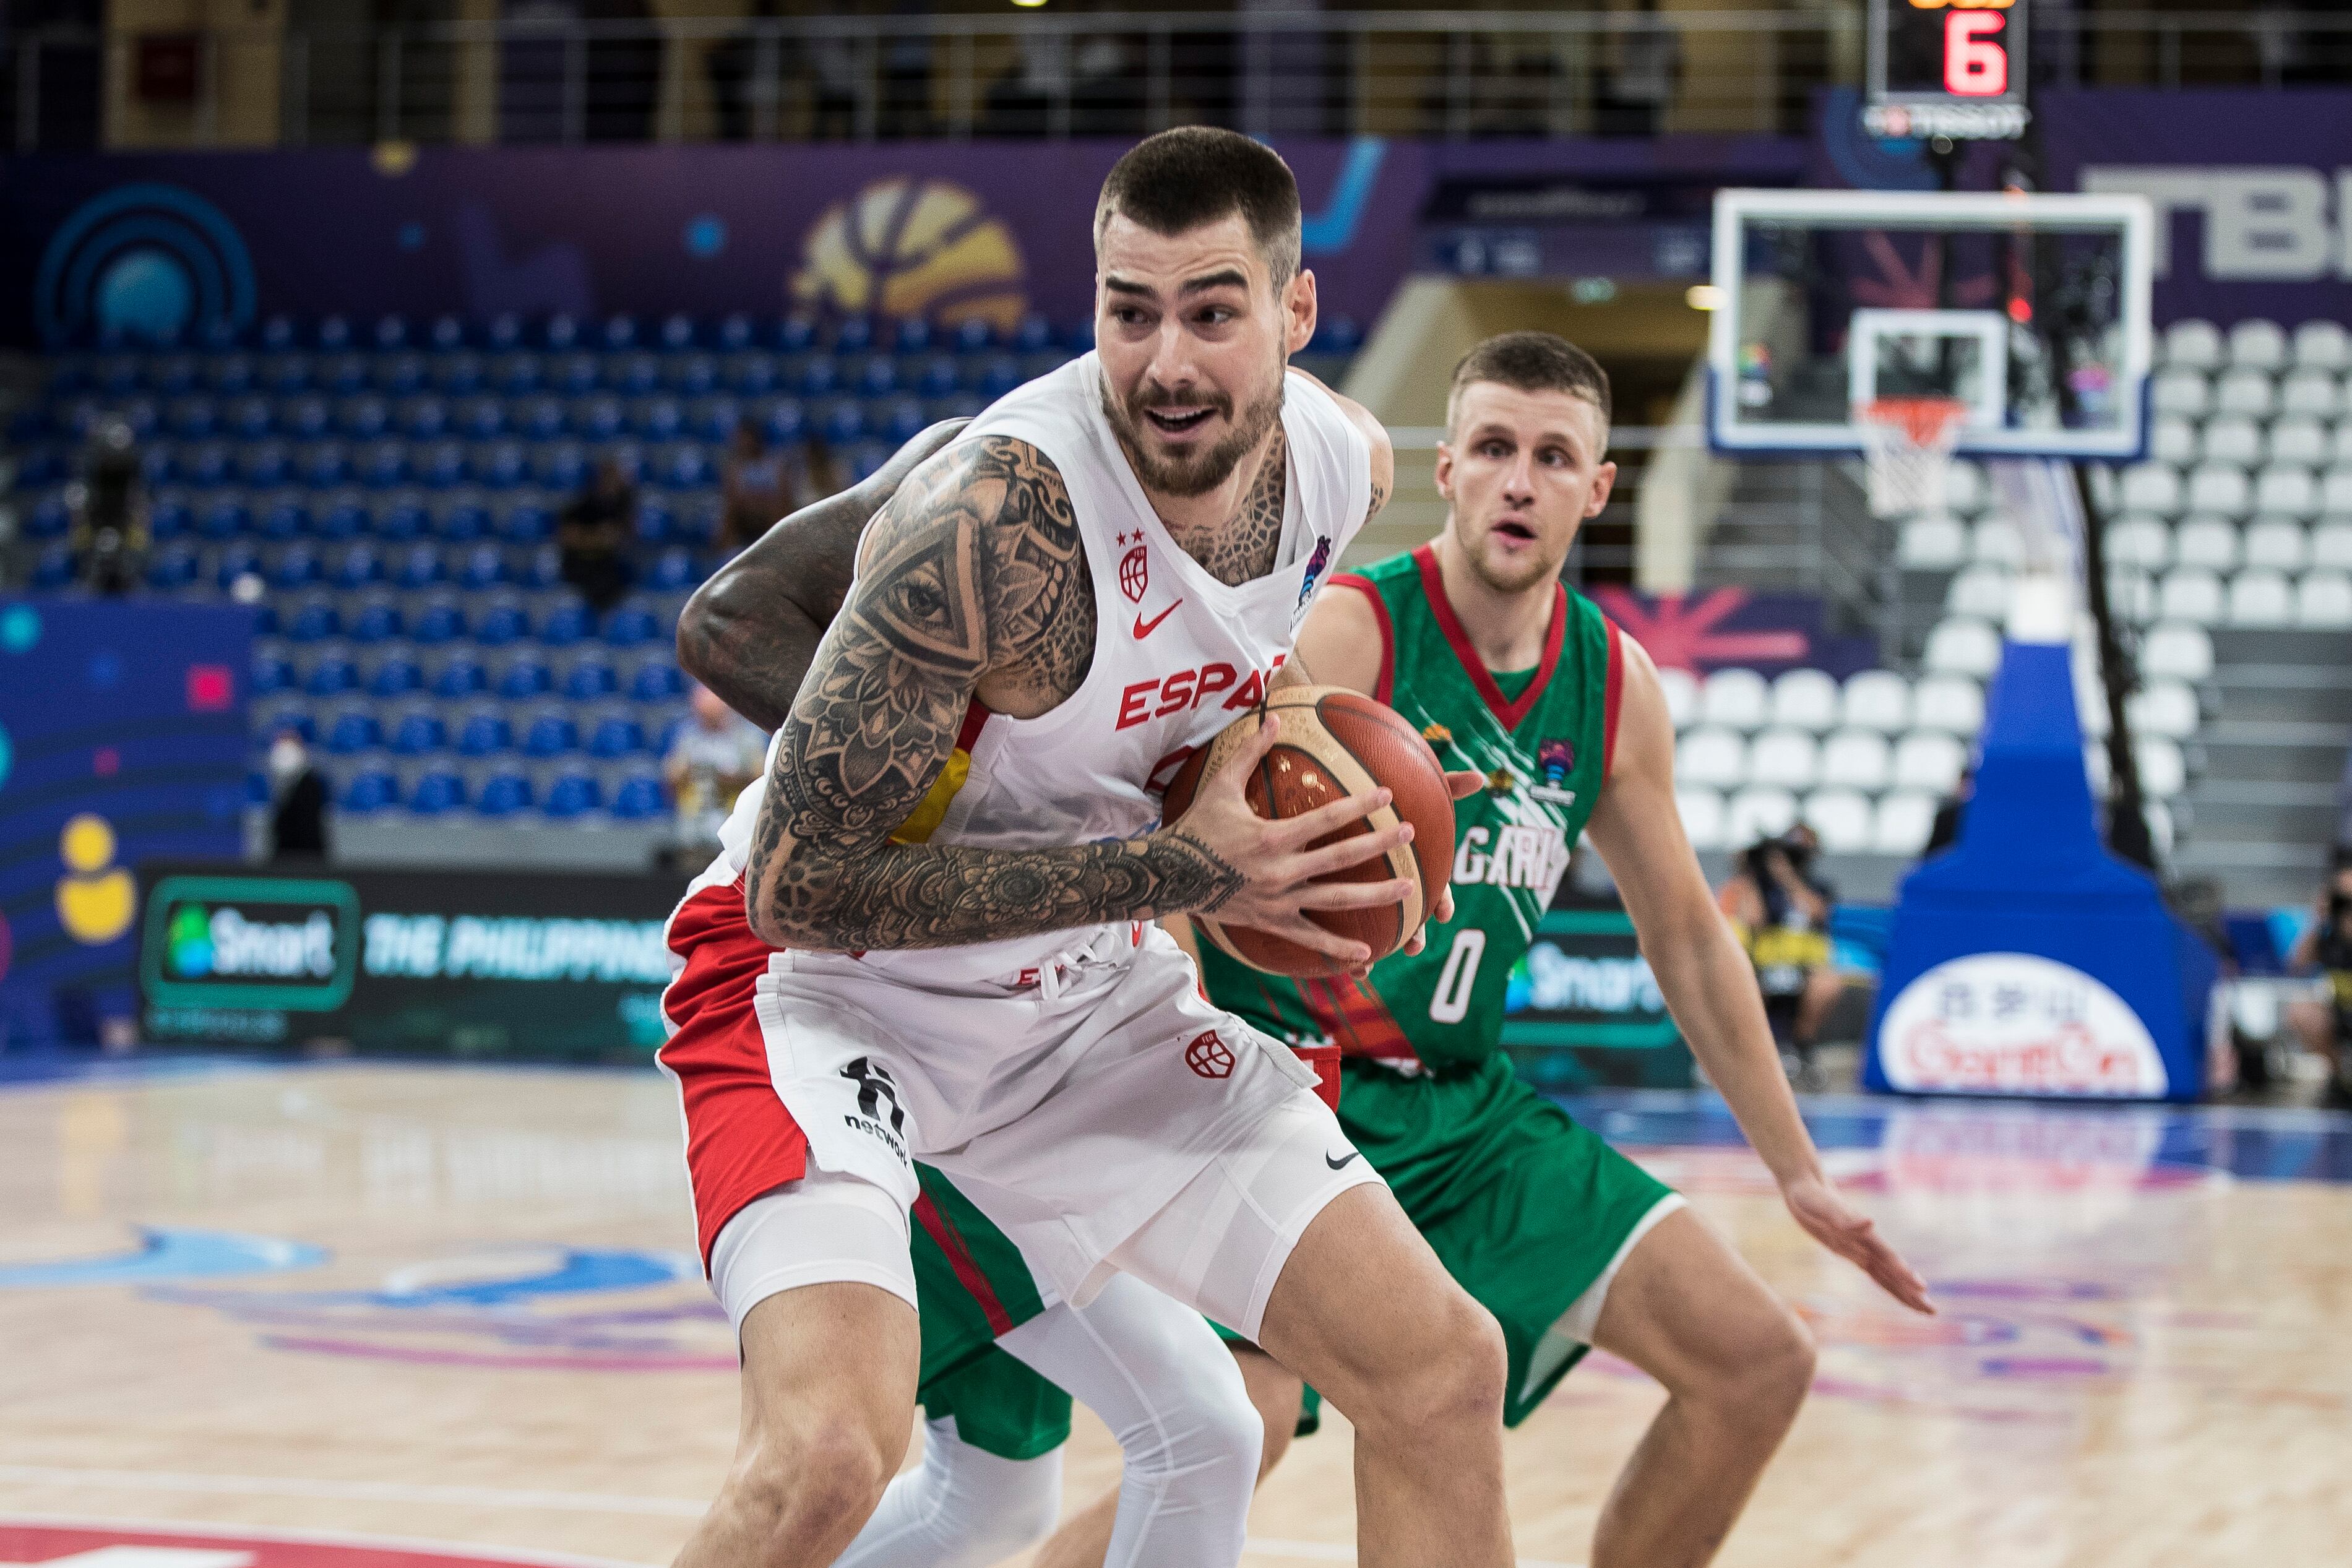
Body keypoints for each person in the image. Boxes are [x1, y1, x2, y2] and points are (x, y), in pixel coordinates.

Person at [681, 331, 1932, 1568]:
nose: (1517, 480)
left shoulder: (1590, 673)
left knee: (1730, 1361)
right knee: (1133, 1445)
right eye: (1492, 446)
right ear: (1450, 468)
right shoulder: (1288, 606)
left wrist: (1796, 1168)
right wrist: (1003, 803)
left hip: (1461, 1105)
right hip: (1236, 1044)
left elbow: (1688, 936)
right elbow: (1169, 849)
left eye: (1552, 456)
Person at [660, 127, 1514, 1568]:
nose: (1168, 364)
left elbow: (1239, 683)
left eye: (1213, 311)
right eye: (1131, 311)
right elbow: (799, 887)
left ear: (1295, 315)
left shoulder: (1342, 469)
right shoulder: (1001, 525)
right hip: (825, 989)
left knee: (1437, 1370)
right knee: (828, 1457)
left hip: (1070, 996)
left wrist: (1304, 797)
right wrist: (1183, 865)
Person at [1718, 821, 1846, 1085]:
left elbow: (1817, 913)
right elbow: (1753, 919)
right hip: (1764, 966)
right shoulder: (1758, 887)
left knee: (1827, 984)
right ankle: (1750, 1051)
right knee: (1742, 985)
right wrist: (1752, 874)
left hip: (1805, 968)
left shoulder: (1818, 887)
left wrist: (1788, 877)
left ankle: (1801, 1047)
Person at [664, 684, 769, 855]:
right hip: (695, 825)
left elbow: (763, 777)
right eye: (703, 717)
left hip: (735, 822)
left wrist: (734, 777)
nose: (707, 723)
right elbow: (671, 777)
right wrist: (688, 770)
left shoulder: (747, 737)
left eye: (713, 717)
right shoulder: (689, 736)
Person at [2283, 850, 2352, 1109]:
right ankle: (2344, 1078)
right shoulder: (2327, 937)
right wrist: (2317, 920)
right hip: (2341, 1019)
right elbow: (2296, 963)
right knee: (2301, 1011)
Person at [71, 415, 147, 595]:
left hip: (124, 526)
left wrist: (138, 517)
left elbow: (140, 525)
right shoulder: (91, 480)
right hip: (96, 523)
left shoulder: (132, 479)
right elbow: (78, 537)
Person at [559, 457, 635, 612]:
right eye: (609, 479)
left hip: (609, 572)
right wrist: (599, 538)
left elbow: (621, 539)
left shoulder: (621, 508)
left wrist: (587, 537)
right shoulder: (583, 506)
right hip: (579, 570)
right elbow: (569, 537)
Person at [268, 726, 330, 861]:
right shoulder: (280, 786)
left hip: (307, 859)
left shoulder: (311, 784)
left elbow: (308, 828)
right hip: (285, 859)